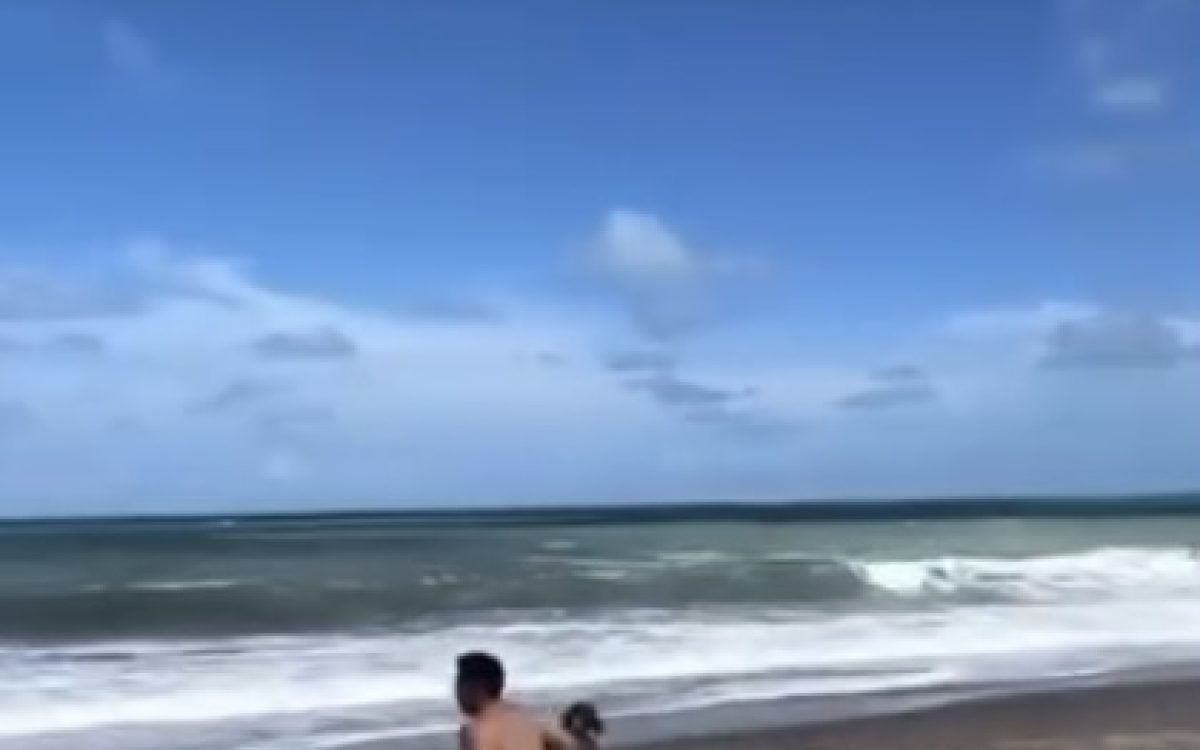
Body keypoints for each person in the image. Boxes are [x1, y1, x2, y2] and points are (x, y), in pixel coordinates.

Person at [455, 652, 576, 750]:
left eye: (460, 684)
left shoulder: (509, 725)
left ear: (479, 687)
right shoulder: (477, 725)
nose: (457, 692)